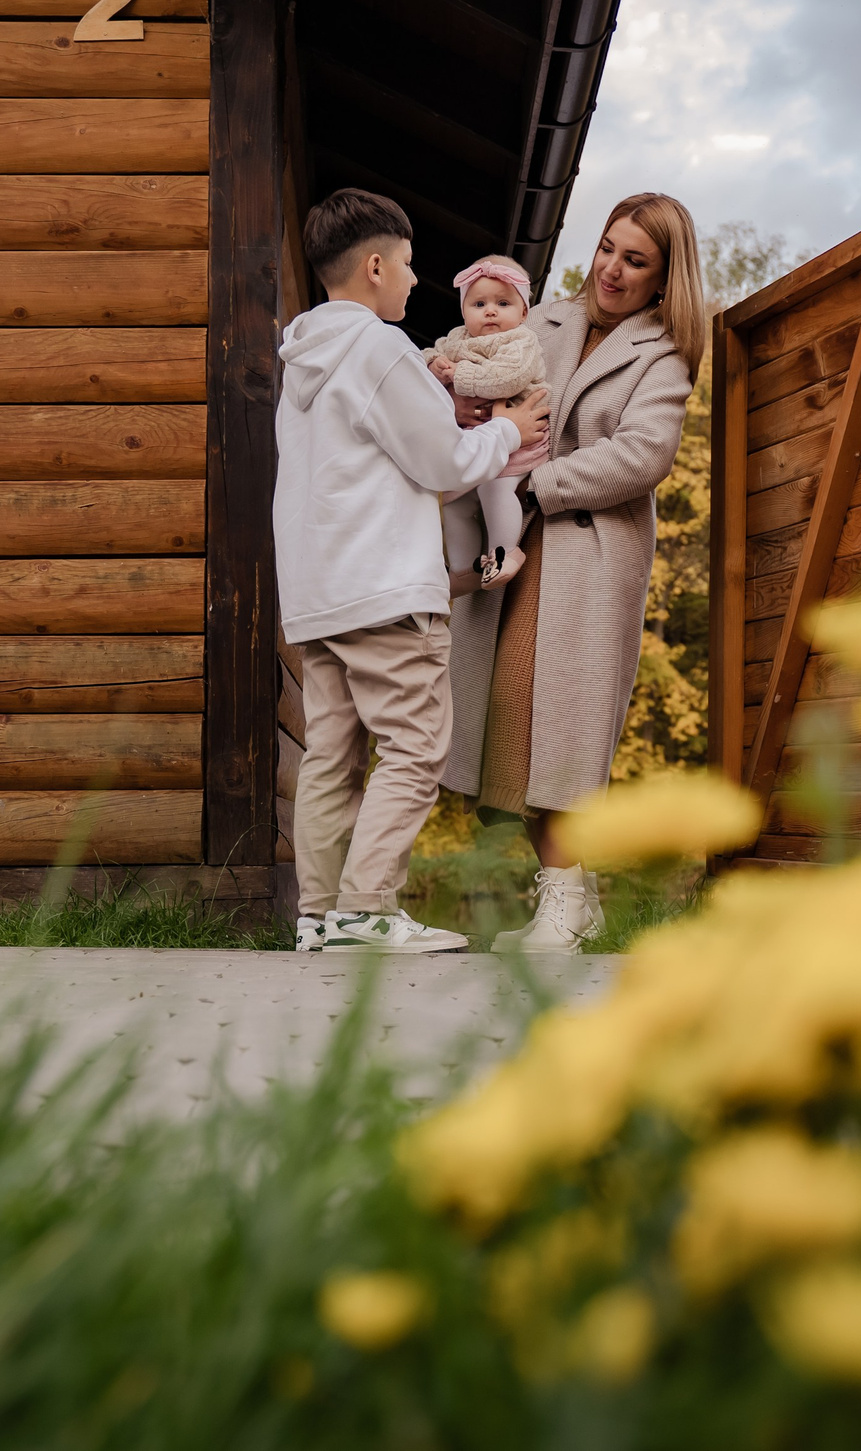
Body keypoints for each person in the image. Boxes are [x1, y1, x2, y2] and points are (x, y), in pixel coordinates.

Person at [274, 189, 551, 954]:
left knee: (331, 756)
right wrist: (508, 430)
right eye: (406, 262)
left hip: (319, 594)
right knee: (414, 747)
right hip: (385, 588)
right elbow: (444, 462)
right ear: (374, 266)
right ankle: (366, 909)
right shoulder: (380, 347)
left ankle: (318, 916)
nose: (412, 277)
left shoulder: (302, 359)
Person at [443, 192, 713, 952]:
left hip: (584, 558)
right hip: (511, 542)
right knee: (513, 722)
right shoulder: (544, 320)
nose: (612, 270)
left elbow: (644, 454)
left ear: (664, 276)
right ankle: (573, 896)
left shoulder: (663, 353)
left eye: (636, 260)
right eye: (607, 249)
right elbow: (475, 360)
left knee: (555, 729)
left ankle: (565, 902)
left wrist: (539, 484)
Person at [426, 255, 548, 589]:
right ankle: (463, 568)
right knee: (454, 502)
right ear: (464, 311)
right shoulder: (456, 339)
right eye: (479, 304)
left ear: (524, 313)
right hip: (473, 437)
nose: (490, 311)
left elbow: (508, 379)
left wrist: (459, 375)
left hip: (520, 435)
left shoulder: (520, 341)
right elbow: (427, 354)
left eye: (503, 303)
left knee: (495, 487)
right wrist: (432, 364)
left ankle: (504, 551)